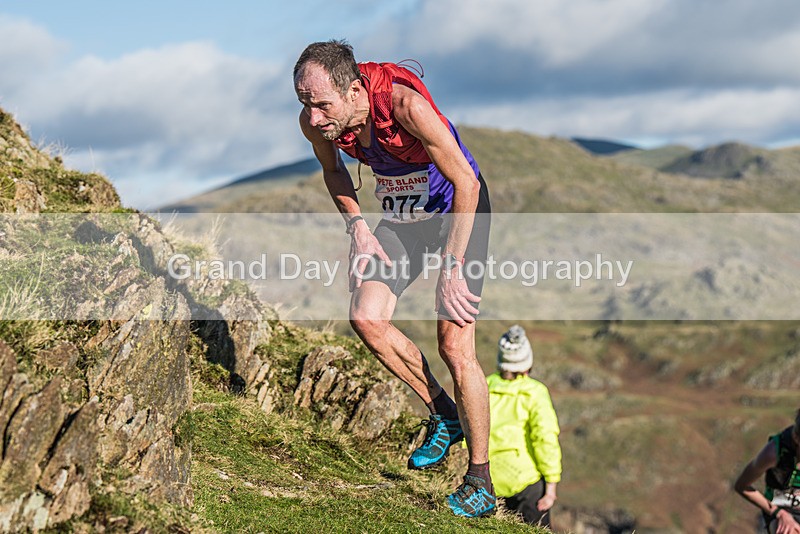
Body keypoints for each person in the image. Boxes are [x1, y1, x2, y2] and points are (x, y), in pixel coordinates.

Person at [293, 40, 494, 518]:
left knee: (454, 345)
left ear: (355, 89)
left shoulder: (405, 105)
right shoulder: (317, 122)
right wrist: (358, 229)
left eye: (322, 104)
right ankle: (445, 414)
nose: (314, 118)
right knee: (366, 316)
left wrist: (452, 266)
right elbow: (333, 172)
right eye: (305, 103)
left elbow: (466, 182)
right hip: (405, 219)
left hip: (460, 214)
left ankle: (481, 482)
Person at [487, 325, 561, 527]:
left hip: (488, 483)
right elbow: (544, 438)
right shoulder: (535, 392)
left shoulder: (483, 386)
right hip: (526, 483)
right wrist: (551, 485)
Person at [734, 408, 800, 533]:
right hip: (781, 510)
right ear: (796, 438)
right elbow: (741, 486)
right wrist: (779, 513)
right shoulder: (773, 453)